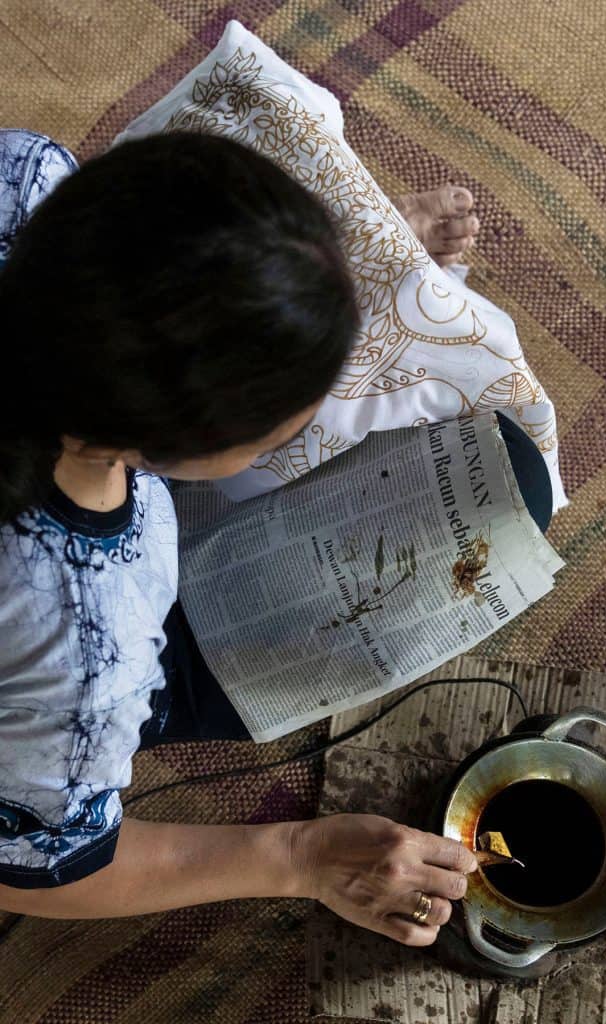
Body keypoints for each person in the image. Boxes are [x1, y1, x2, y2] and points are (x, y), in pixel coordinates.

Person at [0, 129, 550, 943]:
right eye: (276, 430)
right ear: (181, 448)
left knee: (504, 474)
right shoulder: (93, 647)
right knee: (500, 497)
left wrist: (294, 276)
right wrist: (297, 855)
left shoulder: (22, 179)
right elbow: (34, 867)